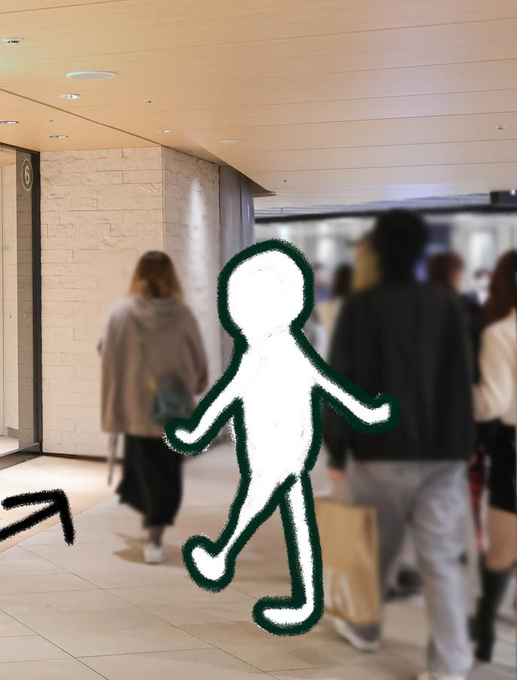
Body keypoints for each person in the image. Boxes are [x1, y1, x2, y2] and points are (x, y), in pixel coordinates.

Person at [167, 241, 395, 635]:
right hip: (292, 449)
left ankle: (223, 558)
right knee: (294, 514)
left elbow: (226, 397)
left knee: (258, 504)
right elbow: (329, 386)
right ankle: (302, 599)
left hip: (271, 451)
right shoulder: (291, 349)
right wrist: (365, 412)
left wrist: (196, 433)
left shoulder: (259, 354)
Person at [325, 210, 476, 678]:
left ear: (378, 250)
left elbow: (341, 383)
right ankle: (450, 665)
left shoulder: (361, 308)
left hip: (379, 451)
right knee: (442, 560)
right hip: (443, 452)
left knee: (376, 550)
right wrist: (463, 443)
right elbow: (463, 377)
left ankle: (365, 628)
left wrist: (336, 449)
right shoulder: (446, 304)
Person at [98, 250, 209, 565]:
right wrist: (196, 384)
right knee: (168, 474)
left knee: (144, 471)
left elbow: (106, 352)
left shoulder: (121, 314)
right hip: (173, 410)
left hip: (136, 411)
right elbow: (199, 360)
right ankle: (154, 535)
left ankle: (151, 530)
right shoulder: (182, 315)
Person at [471, 249, 516, 662]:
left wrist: (462, 395)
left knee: (503, 549)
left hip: (513, 451)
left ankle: (483, 632)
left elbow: (493, 403)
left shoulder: (502, 333)